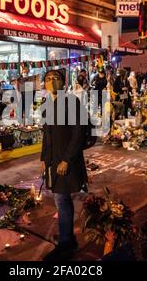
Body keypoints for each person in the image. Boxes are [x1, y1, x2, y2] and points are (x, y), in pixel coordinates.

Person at [40, 69, 87, 261]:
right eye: (48, 79)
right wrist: (43, 159)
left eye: (56, 78)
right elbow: (46, 135)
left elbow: (79, 133)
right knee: (61, 199)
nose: (51, 81)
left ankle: (66, 244)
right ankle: (68, 238)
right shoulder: (46, 104)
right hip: (52, 161)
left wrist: (67, 159)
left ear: (63, 82)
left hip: (65, 161)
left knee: (61, 199)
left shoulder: (71, 102)